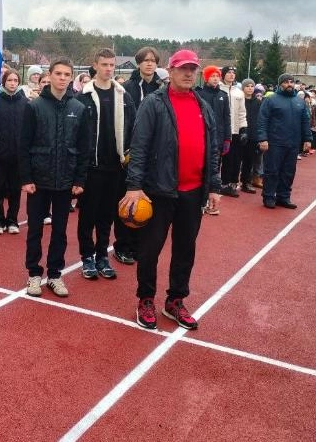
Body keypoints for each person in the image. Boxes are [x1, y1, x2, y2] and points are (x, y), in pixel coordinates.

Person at [121, 48, 221, 330]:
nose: (189, 74)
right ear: (171, 70)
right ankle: (146, 298)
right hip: (159, 191)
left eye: (193, 69)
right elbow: (139, 147)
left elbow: (212, 150)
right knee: (150, 249)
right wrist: (134, 187)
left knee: (185, 250)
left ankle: (175, 300)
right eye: (183, 69)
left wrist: (214, 186)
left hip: (193, 191)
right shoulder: (153, 103)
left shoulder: (203, 106)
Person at [19, 58, 90, 298]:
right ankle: (34, 274)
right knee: (35, 230)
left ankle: (55, 274)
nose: (62, 78)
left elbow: (84, 147)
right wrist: (26, 177)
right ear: (49, 76)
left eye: (66, 74)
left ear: (71, 77)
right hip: (38, 181)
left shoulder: (78, 109)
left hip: (65, 181)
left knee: (60, 231)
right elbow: (24, 145)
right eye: (58, 73)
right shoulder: (34, 106)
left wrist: (80, 180)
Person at [76, 48, 135, 280]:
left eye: (112, 65)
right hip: (91, 167)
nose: (109, 69)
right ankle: (86, 257)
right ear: (95, 65)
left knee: (107, 216)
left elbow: (132, 128)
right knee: (87, 215)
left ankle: (102, 255)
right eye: (104, 65)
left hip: (115, 167)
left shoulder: (123, 96)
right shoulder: (84, 96)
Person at [113, 47, 163, 263]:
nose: (149, 64)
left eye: (153, 61)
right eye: (145, 60)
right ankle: (123, 245)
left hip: (154, 154)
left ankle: (140, 244)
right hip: (129, 154)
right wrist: (124, 148)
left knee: (148, 199)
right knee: (127, 199)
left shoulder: (162, 89)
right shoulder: (127, 88)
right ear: (139, 63)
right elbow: (121, 120)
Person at [255, 73, 312, 209]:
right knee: (272, 171)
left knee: (288, 171)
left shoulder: (299, 101)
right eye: (286, 82)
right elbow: (262, 120)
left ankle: (283, 197)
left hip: (293, 143)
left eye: (291, 82)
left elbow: (305, 121)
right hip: (275, 142)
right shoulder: (271, 100)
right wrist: (263, 138)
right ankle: (269, 196)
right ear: (280, 84)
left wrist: (307, 139)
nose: (289, 84)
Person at [0, 69, 26, 235]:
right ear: (4, 82)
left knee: (15, 190)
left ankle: (12, 220)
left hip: (18, 156)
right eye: (9, 80)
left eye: (15, 80)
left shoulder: (24, 102)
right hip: (0, 155)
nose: (12, 83)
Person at [194, 65, 231, 214]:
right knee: (200, 169)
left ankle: (211, 203)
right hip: (202, 137)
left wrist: (227, 138)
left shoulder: (223, 95)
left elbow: (226, 118)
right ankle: (200, 202)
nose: (215, 78)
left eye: (217, 76)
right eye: (212, 76)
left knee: (215, 169)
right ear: (206, 77)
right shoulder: (199, 94)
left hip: (219, 138)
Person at [217, 66, 247, 197]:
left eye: (233, 73)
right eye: (228, 72)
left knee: (232, 159)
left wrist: (243, 128)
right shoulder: (217, 89)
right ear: (223, 75)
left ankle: (228, 184)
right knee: (217, 159)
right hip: (219, 131)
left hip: (234, 131)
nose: (231, 75)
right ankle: (216, 183)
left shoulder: (239, 93)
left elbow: (242, 112)